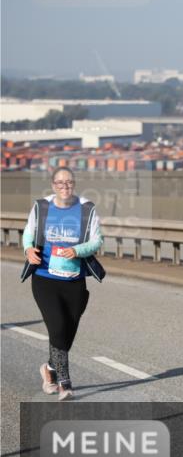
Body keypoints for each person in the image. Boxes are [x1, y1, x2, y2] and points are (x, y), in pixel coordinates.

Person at [21, 167, 104, 400]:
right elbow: (28, 233)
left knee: (67, 332)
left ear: (74, 184)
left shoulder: (87, 208)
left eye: (68, 182)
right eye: (60, 182)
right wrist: (28, 249)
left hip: (74, 280)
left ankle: (49, 368)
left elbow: (97, 240)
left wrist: (77, 250)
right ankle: (64, 383)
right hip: (44, 278)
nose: (64, 186)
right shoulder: (41, 207)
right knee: (57, 327)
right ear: (53, 185)